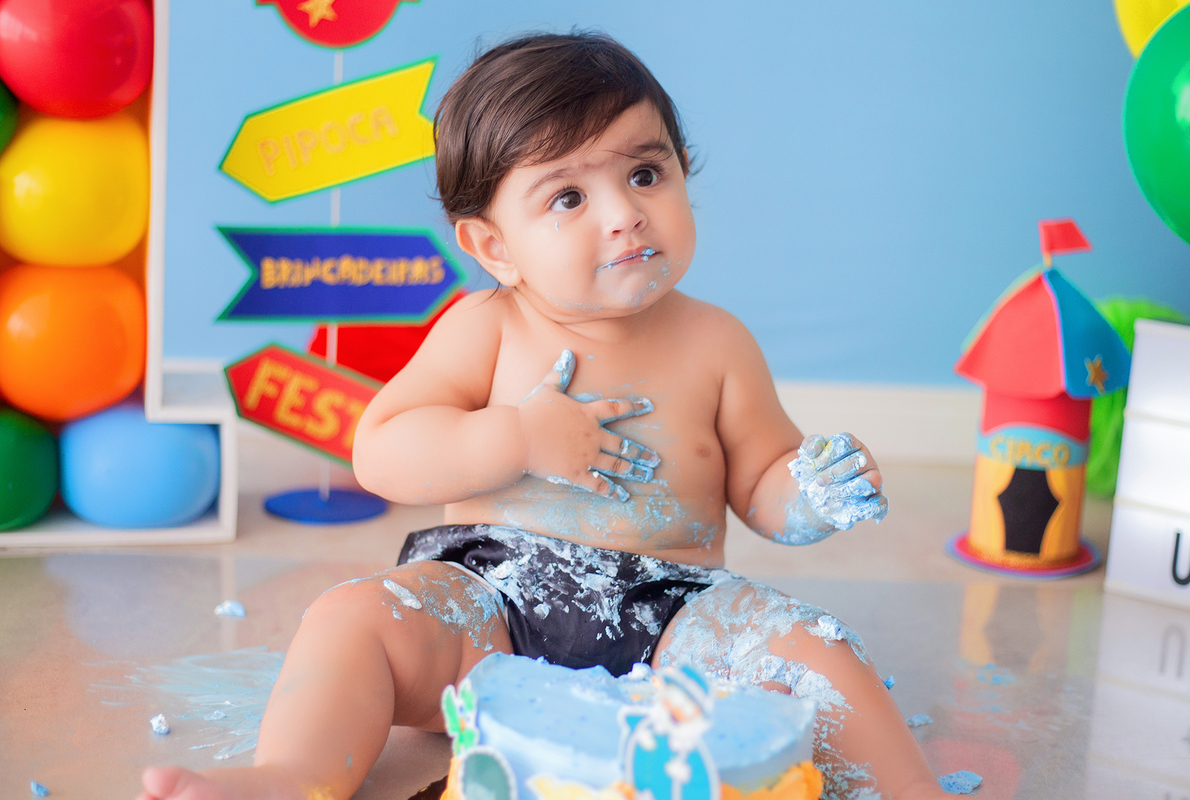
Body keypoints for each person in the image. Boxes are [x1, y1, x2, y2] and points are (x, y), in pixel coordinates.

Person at [140, 31, 962, 800]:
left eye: (646, 174)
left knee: (814, 646)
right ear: (495, 247)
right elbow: (381, 452)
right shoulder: (486, 327)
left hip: (673, 616)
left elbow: (760, 483)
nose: (623, 212)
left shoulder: (717, 342)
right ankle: (289, 776)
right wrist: (517, 436)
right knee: (352, 617)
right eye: (568, 195)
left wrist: (809, 495)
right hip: (488, 604)